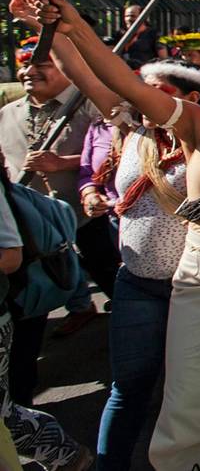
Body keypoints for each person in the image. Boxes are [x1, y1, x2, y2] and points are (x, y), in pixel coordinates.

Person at [21, 0, 200, 470]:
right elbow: (121, 85)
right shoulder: (199, 126)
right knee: (187, 397)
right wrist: (72, 29)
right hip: (197, 285)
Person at [47, 49, 200, 471]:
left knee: (191, 395)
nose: (143, 99)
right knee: (127, 389)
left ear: (191, 100)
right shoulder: (131, 130)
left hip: (193, 292)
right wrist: (59, 32)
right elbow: (84, 76)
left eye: (158, 92)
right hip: (135, 284)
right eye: (141, 91)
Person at [0, 32, 115, 401]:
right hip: (28, 227)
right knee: (31, 296)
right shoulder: (8, 113)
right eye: (25, 65)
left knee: (108, 273)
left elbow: (115, 151)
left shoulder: (91, 106)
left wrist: (63, 163)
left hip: (85, 214)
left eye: (43, 64)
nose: (30, 71)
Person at [0, 164, 93, 470]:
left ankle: (64, 454)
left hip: (19, 299)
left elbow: (10, 256)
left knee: (8, 414)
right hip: (20, 299)